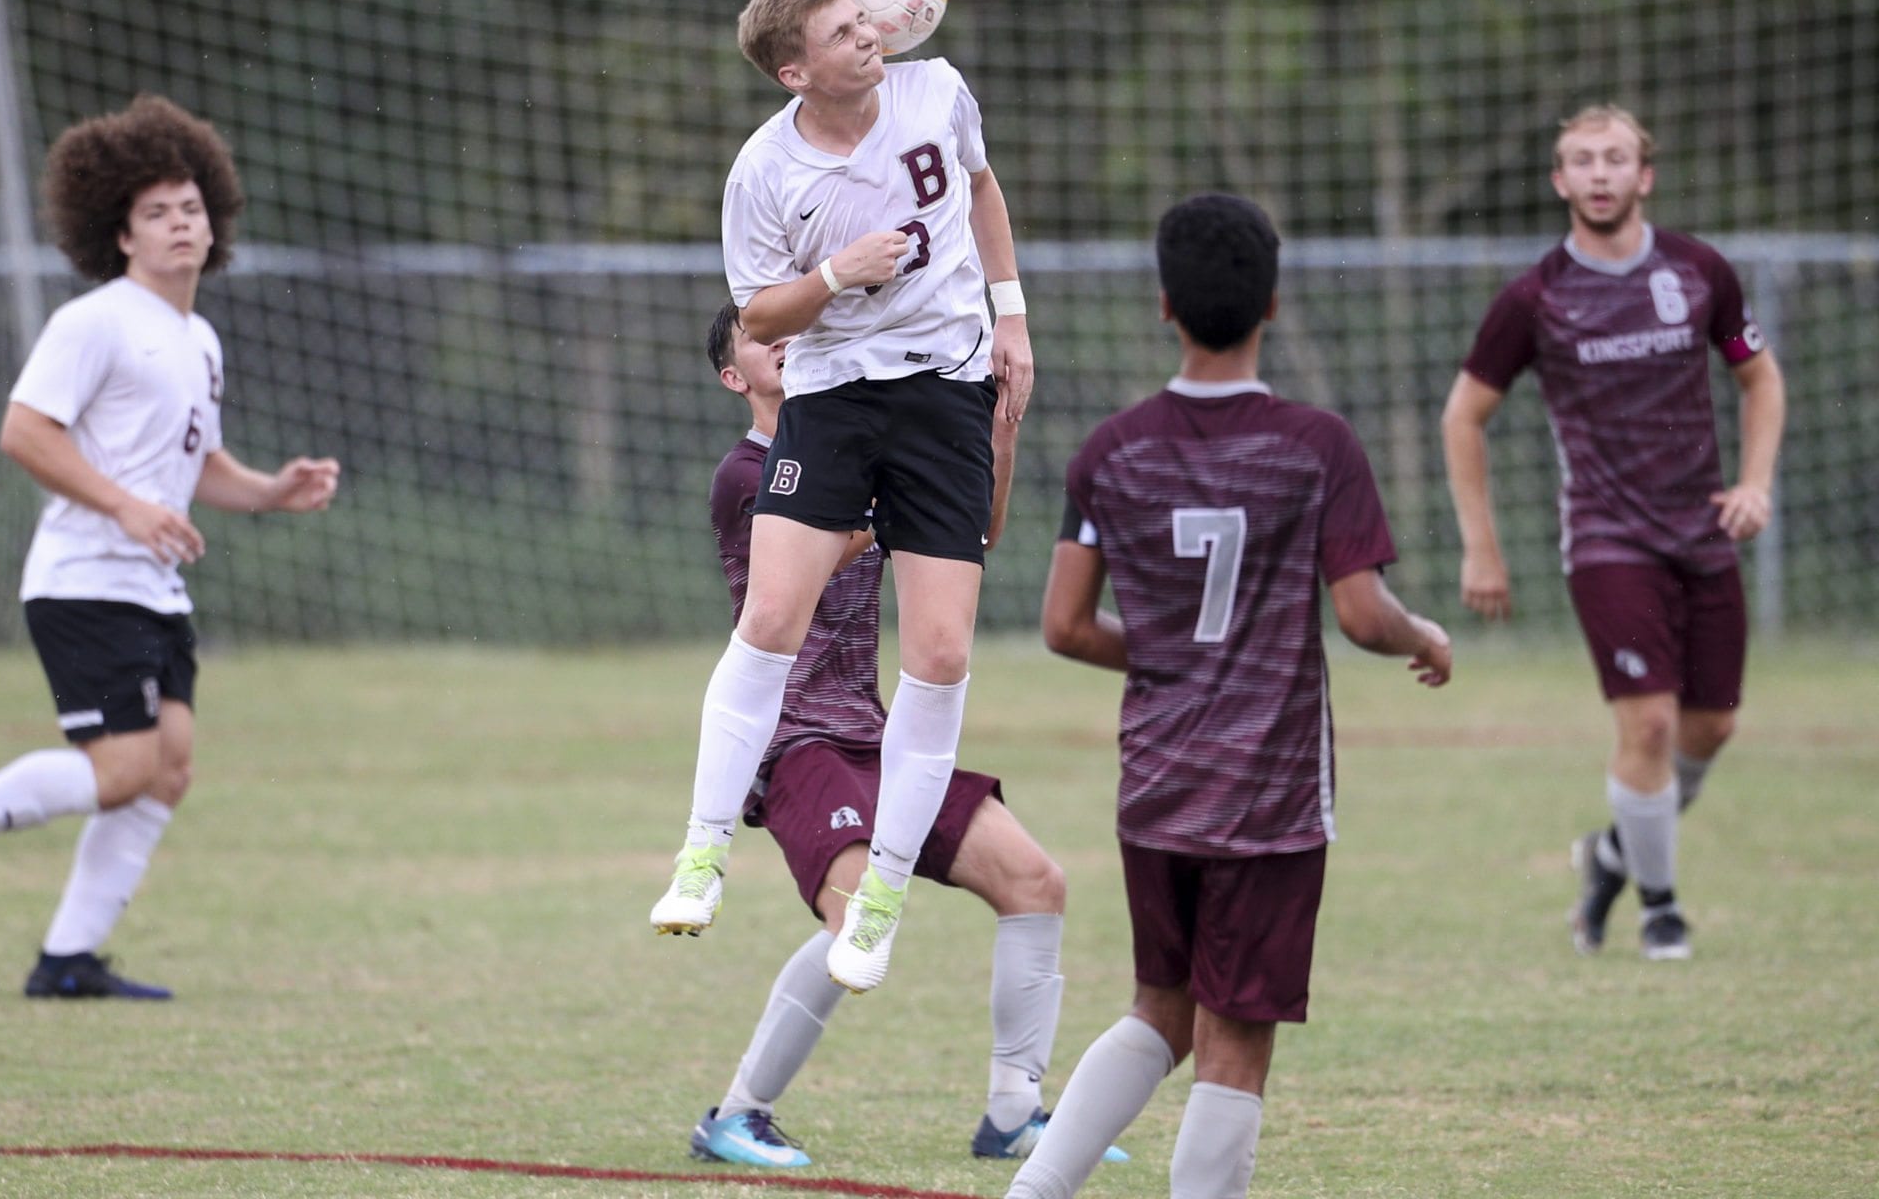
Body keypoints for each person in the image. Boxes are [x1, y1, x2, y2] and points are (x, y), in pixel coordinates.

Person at [1011, 194, 1452, 1199]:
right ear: (1275, 305)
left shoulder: (1109, 450)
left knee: (1159, 1006)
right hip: (1269, 798)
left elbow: (1066, 626)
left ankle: (1033, 1190)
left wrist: (1170, 651)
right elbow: (1361, 611)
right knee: (1234, 1045)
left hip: (1157, 788)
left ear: (1164, 304)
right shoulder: (1318, 445)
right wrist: (1424, 634)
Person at [651, 0, 1035, 997]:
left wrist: (1011, 316)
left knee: (943, 649)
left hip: (945, 396)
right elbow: (760, 322)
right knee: (772, 613)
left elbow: (983, 188)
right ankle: (700, 853)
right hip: (832, 401)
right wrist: (834, 276)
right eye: (842, 31)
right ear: (795, 69)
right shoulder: (763, 171)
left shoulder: (938, 90)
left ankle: (885, 894)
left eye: (867, 20)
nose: (870, 37)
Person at [686, 302, 1125, 1169]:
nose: (783, 337)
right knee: (855, 919)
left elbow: (975, 534)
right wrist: (913, 458)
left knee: (1035, 881)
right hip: (798, 743)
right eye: (758, 335)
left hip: (881, 738)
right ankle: (736, 1114)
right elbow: (835, 541)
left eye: (790, 326)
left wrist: (990, 433)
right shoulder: (748, 475)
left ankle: (1012, 1113)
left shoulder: (861, 450)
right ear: (734, 376)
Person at [0, 94, 340, 999]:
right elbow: (25, 432)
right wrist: (127, 509)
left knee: (164, 773)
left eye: (191, 208)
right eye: (157, 213)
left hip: (154, 586)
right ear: (121, 235)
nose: (181, 224)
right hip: (86, 579)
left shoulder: (196, 336)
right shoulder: (95, 321)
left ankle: (67, 961)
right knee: (122, 767)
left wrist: (270, 492)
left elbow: (196, 464)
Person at [1441, 104, 1786, 962]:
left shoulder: (1700, 271)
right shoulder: (1534, 298)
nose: (1599, 174)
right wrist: (1481, 545)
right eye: (1582, 161)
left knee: (1711, 729)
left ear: (1645, 175)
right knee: (1651, 731)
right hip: (1605, 540)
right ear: (1560, 181)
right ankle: (1660, 909)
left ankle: (1610, 856)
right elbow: (1464, 416)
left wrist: (1754, 484)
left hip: (1702, 533)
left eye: (1615, 158)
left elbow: (1762, 381)